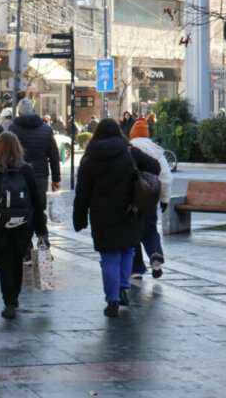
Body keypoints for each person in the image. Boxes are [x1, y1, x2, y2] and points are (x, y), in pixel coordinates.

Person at [73, 118, 161, 318]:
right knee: (127, 250)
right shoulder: (129, 153)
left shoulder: (89, 159)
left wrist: (79, 219)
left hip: (101, 217)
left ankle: (112, 300)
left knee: (109, 257)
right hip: (129, 211)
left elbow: (82, 194)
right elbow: (155, 167)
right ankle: (123, 287)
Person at [0, 132, 49, 319]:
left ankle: (9, 301)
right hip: (23, 224)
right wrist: (41, 230)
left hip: (0, 224)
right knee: (17, 259)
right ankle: (14, 298)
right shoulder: (26, 170)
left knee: (5, 261)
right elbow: (37, 201)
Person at [6, 99, 61, 264]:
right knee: (39, 210)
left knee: (21, 211)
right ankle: (43, 245)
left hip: (19, 176)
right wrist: (56, 179)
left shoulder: (13, 129)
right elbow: (54, 156)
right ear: (34, 110)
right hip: (40, 177)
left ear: (19, 112)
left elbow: (8, 154)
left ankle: (26, 251)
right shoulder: (46, 129)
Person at [129, 118, 172, 279]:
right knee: (150, 229)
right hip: (150, 198)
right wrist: (164, 199)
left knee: (133, 232)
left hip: (132, 199)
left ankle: (136, 269)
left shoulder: (129, 148)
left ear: (132, 134)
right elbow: (166, 178)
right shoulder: (156, 151)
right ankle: (155, 254)